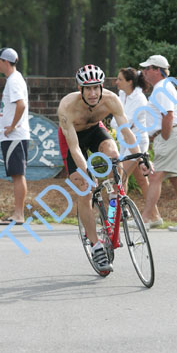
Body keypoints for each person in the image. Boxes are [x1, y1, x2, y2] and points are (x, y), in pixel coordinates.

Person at [58, 64, 149, 272]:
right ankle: (96, 245)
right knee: (85, 189)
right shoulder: (67, 107)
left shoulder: (111, 99)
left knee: (114, 158)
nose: (92, 93)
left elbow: (126, 133)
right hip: (73, 139)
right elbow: (74, 149)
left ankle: (112, 205)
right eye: (87, 88)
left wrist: (140, 157)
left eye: (96, 87)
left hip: (96, 131)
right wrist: (87, 176)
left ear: (101, 87)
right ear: (80, 89)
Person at [139, 55, 177, 232]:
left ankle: (146, 219)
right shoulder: (163, 87)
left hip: (169, 136)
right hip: (173, 135)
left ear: (158, 70)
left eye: (148, 68)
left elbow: (168, 115)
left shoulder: (161, 88)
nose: (144, 72)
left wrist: (163, 136)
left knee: (155, 176)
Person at [110, 67, 162, 226]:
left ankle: (117, 215)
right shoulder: (122, 95)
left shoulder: (139, 99)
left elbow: (125, 121)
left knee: (120, 176)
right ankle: (155, 217)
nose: (116, 82)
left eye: (120, 79)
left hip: (136, 143)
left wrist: (116, 123)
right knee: (142, 181)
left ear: (130, 82)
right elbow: (116, 120)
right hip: (124, 141)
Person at [0, 47, 30, 225]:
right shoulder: (14, 79)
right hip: (14, 136)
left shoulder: (14, 81)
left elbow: (20, 105)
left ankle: (19, 215)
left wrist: (12, 126)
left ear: (5, 62)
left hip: (15, 136)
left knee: (18, 174)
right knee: (16, 174)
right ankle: (17, 213)